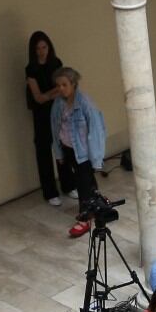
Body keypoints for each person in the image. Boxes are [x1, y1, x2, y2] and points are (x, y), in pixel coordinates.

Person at [49, 67, 108, 237]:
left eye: (64, 85)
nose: (60, 88)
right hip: (68, 148)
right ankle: (97, 202)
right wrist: (59, 153)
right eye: (58, 85)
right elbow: (55, 128)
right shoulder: (58, 103)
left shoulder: (85, 104)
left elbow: (96, 132)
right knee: (85, 179)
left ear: (73, 84)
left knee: (82, 184)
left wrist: (96, 159)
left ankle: (85, 218)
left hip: (84, 152)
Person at [24, 31, 67, 206]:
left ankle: (68, 184)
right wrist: (54, 92)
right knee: (43, 151)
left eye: (44, 47)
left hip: (57, 110)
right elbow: (38, 97)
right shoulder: (31, 70)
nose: (42, 51)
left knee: (62, 147)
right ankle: (50, 192)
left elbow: (64, 87)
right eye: (38, 48)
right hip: (41, 114)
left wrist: (51, 94)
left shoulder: (56, 63)